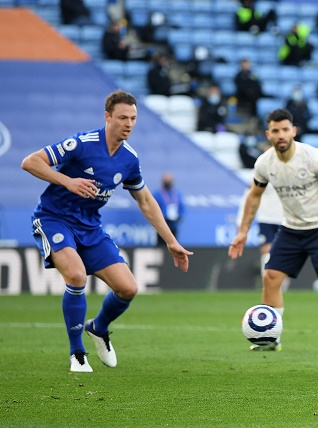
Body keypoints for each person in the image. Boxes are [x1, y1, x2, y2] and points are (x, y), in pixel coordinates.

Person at [20, 90, 193, 373]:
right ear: (107, 117)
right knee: (76, 275)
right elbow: (30, 161)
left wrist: (171, 241)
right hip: (54, 219)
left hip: (90, 225)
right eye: (123, 117)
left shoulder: (128, 159)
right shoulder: (82, 143)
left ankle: (98, 328)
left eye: (133, 118)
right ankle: (77, 353)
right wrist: (68, 181)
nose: (128, 123)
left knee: (128, 288)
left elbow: (146, 200)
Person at [229, 109, 318, 353]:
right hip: (291, 228)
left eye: (285, 129)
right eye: (275, 131)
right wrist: (242, 231)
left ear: (294, 131)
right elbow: (253, 196)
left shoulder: (313, 157)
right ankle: (271, 338)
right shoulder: (265, 163)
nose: (281, 135)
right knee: (270, 278)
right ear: (268, 134)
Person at [152, 172, 186, 246]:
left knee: (174, 245)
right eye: (166, 181)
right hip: (162, 225)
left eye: (169, 181)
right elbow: (153, 209)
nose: (168, 183)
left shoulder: (177, 194)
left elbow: (181, 207)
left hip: (173, 224)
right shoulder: (158, 194)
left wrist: (180, 216)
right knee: (161, 246)